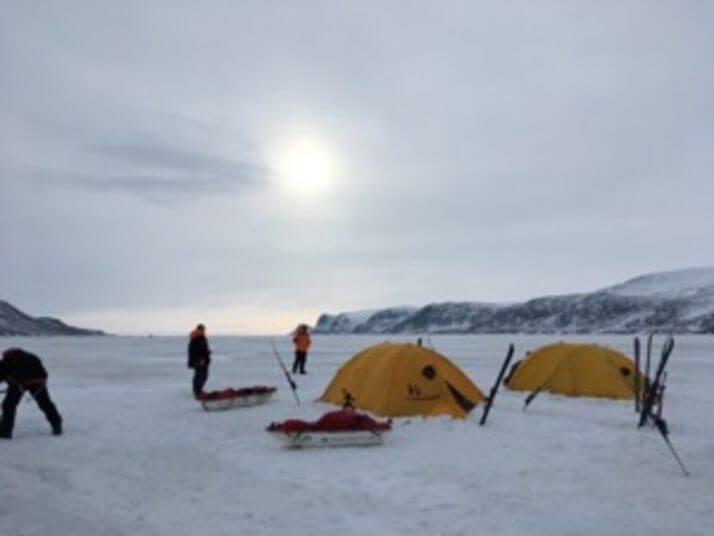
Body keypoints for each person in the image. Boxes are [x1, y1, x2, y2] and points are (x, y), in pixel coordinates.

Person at [0, 348, 63, 439]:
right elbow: (43, 372)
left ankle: (5, 432)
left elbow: (1, 374)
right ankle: (57, 425)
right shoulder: (32, 357)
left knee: (8, 405)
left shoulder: (8, 360)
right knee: (45, 403)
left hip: (19, 383)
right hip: (38, 383)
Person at [187, 323, 211, 399]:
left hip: (200, 360)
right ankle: (198, 391)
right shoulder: (198, 338)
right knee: (202, 376)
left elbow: (202, 349)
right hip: (200, 361)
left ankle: (198, 390)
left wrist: (208, 351)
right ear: (200, 329)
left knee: (200, 375)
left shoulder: (199, 337)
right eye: (203, 329)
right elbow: (195, 350)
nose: (204, 331)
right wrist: (200, 359)